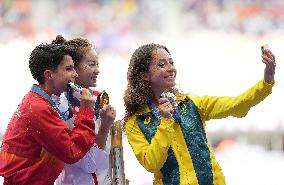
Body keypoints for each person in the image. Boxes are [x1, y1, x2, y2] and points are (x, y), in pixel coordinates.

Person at [123, 43, 276, 185]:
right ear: (144, 75)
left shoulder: (192, 103)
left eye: (171, 62)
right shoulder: (135, 123)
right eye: (162, 64)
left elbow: (236, 104)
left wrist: (266, 82)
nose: (171, 68)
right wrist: (165, 121)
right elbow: (152, 163)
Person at [0, 43, 97, 185]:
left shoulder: (40, 101)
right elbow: (71, 151)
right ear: (49, 75)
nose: (75, 74)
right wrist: (86, 112)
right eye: (69, 69)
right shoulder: (38, 108)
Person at [52, 35, 115, 185]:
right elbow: (89, 163)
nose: (97, 70)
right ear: (73, 68)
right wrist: (105, 126)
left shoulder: (99, 98)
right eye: (92, 64)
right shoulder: (64, 108)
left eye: (97, 64)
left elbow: (109, 150)